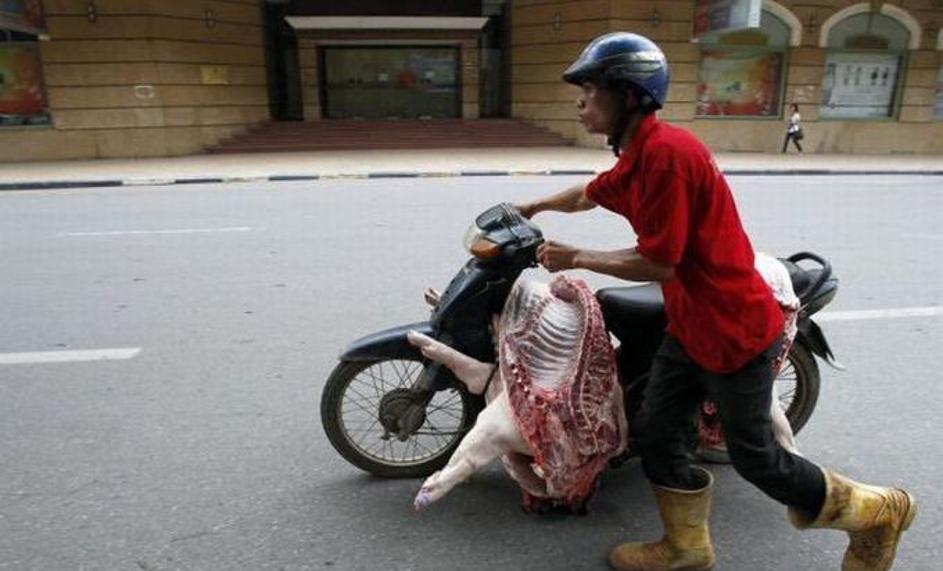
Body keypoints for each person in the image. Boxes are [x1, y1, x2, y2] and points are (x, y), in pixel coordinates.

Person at [515, 32, 915, 571]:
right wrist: (534, 206)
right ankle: (687, 547)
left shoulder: (667, 157)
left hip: (733, 330)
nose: (581, 102)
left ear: (629, 95)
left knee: (758, 459)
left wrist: (577, 257)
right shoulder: (639, 153)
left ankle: (878, 512)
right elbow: (591, 193)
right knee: (657, 431)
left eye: (591, 89)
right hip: (691, 326)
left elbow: (660, 263)